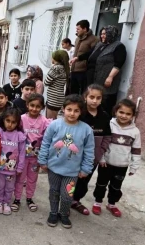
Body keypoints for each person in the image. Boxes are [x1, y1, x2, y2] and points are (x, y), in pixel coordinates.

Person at [38, 94, 95, 229]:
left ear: (81, 112)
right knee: (54, 191)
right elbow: (45, 143)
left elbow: (89, 150)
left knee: (67, 194)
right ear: (63, 109)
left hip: (72, 171)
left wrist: (86, 168)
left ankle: (64, 213)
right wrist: (42, 160)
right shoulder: (54, 125)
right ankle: (53, 212)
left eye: (76, 111)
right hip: (54, 168)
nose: (72, 113)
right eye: (69, 109)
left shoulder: (86, 130)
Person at [92, 99, 141, 217]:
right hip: (106, 163)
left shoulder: (135, 132)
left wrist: (134, 166)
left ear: (133, 116)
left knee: (116, 186)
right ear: (115, 112)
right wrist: (101, 158)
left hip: (122, 165)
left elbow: (136, 150)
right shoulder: (109, 125)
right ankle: (97, 202)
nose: (124, 116)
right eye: (121, 112)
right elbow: (103, 143)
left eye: (128, 114)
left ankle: (111, 204)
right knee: (101, 184)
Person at [71, 84, 112, 215]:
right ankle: (66, 200)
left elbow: (107, 136)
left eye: (98, 98)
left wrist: (100, 151)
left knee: (84, 182)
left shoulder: (104, 116)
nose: (95, 100)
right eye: (92, 97)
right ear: (85, 97)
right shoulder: (79, 114)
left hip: (92, 158)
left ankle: (75, 201)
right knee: (71, 180)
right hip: (75, 157)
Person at [71, 25, 127, 114]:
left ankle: (103, 121)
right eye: (101, 34)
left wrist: (110, 77)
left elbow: (119, 63)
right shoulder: (100, 44)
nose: (102, 36)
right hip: (92, 78)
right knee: (90, 98)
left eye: (105, 34)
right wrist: (77, 58)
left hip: (105, 79)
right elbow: (89, 53)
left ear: (111, 34)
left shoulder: (118, 46)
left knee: (104, 101)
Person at [13, 94, 51, 212]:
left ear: (42, 107)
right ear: (27, 105)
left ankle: (29, 198)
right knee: (19, 179)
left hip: (35, 158)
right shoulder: (21, 119)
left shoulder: (45, 121)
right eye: (32, 105)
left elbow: (48, 138)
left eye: (38, 106)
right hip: (21, 157)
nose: (34, 109)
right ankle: (17, 199)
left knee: (32, 179)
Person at [0, 107, 26, 216]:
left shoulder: (19, 136)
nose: (10, 124)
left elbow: (22, 152)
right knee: (0, 185)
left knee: (9, 187)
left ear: (17, 123)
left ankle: (7, 203)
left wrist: (20, 167)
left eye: (13, 122)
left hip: (12, 169)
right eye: (8, 121)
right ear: (3, 120)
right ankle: (0, 202)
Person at [70, 20, 98, 95]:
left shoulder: (94, 39)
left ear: (85, 29)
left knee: (83, 92)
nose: (76, 31)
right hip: (74, 69)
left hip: (84, 70)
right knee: (72, 91)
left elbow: (93, 54)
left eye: (78, 29)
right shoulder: (77, 39)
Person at [45, 50, 70, 119]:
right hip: (59, 97)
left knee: (50, 121)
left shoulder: (56, 68)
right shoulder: (65, 68)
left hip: (53, 97)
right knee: (54, 119)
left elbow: (46, 82)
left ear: (56, 58)